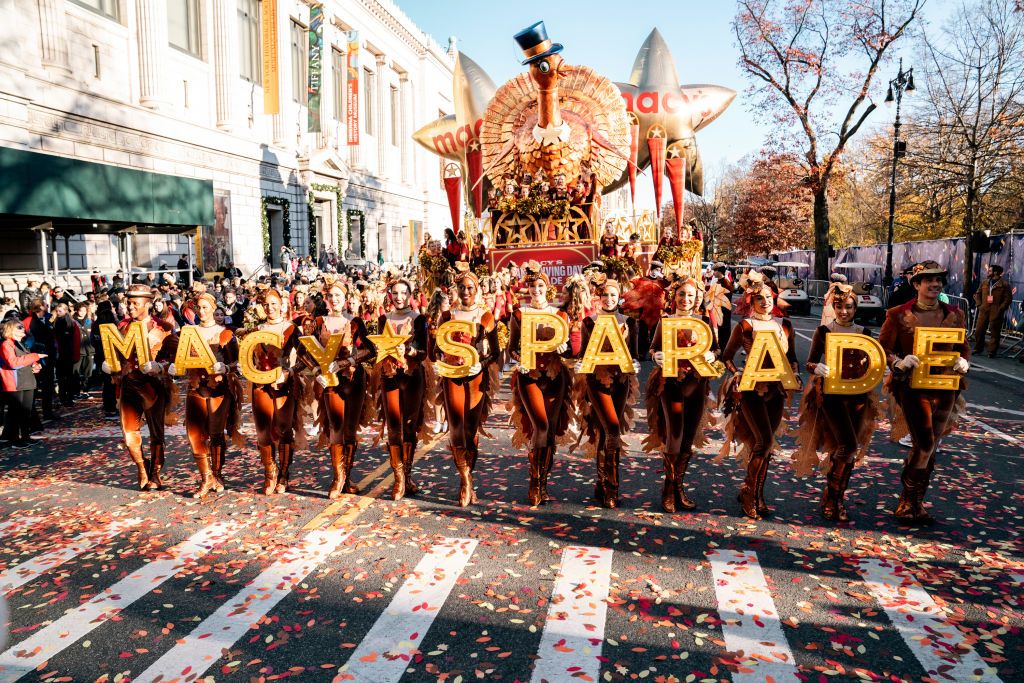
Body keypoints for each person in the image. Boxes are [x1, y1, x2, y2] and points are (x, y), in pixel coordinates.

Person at [879, 261, 969, 525]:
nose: (935, 284)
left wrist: (964, 362)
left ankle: (916, 503)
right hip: (913, 388)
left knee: (931, 445)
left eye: (938, 279)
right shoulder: (897, 314)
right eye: (928, 280)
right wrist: (898, 362)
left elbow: (963, 347)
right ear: (916, 284)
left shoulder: (954, 313)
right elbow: (883, 349)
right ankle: (907, 501)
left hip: (946, 388)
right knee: (925, 443)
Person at [794, 283, 879, 522]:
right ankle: (832, 498)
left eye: (849, 307)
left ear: (855, 308)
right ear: (833, 307)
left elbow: (872, 362)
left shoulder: (864, 333)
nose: (844, 312)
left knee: (848, 450)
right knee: (848, 446)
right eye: (839, 306)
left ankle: (836, 498)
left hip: (858, 397)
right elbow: (809, 361)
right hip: (831, 396)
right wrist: (816, 368)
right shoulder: (824, 331)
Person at [719, 275, 800, 520]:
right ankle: (748, 492)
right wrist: (738, 373)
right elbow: (727, 357)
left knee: (767, 444)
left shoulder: (784, 324)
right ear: (750, 301)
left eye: (768, 297)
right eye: (758, 298)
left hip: (777, 389)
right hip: (751, 389)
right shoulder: (745, 326)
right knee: (763, 441)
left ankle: (757, 493)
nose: (764, 302)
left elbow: (793, 358)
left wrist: (795, 373)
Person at [646, 278, 718, 512]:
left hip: (697, 383)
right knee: (674, 436)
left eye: (690, 295)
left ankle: (679, 487)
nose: (685, 299)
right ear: (674, 297)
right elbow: (653, 348)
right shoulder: (665, 322)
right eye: (681, 295)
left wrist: (712, 357)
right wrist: (655, 356)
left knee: (688, 439)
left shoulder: (705, 321)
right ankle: (668, 488)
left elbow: (717, 348)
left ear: (697, 297)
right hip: (671, 384)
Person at [432, 268, 500, 506]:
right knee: (456, 430)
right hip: (452, 378)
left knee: (470, 433)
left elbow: (496, 353)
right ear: (456, 291)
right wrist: (439, 362)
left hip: (475, 377)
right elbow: (435, 350)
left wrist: (480, 364)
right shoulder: (448, 315)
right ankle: (465, 481)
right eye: (462, 288)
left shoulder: (486, 316)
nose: (466, 292)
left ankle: (468, 474)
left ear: (477, 290)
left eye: (470, 288)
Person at [102, 284, 178, 491]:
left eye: (135, 303)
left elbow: (175, 359)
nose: (129, 307)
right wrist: (112, 365)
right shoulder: (121, 327)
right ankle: (142, 468)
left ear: (148, 304)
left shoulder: (164, 328)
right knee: (128, 434)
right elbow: (116, 354)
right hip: (128, 386)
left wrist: (160, 366)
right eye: (128, 303)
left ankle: (155, 473)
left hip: (153, 387)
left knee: (156, 433)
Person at [508, 268, 574, 506]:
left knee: (551, 428)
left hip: (556, 377)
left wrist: (564, 349)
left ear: (548, 288)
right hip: (530, 376)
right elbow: (511, 348)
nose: (536, 291)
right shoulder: (519, 314)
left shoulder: (560, 315)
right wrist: (519, 360)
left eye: (541, 286)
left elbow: (569, 351)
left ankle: (544, 481)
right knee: (541, 425)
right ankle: (534, 482)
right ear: (528, 289)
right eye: (533, 287)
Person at [170, 293, 243, 498]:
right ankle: (205, 477)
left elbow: (237, 363)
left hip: (219, 388)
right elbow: (178, 359)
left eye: (205, 307)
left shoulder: (225, 333)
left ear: (213, 308)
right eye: (198, 308)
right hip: (195, 387)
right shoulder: (187, 332)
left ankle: (217, 474)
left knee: (216, 432)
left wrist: (225, 368)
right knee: (195, 434)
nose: (202, 311)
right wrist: (174, 367)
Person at [574, 278, 639, 509]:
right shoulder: (589, 322)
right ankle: (612, 487)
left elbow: (635, 354)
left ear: (619, 297)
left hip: (621, 381)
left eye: (613, 295)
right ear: (599, 298)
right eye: (605, 296)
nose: (609, 299)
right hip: (597, 381)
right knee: (611, 429)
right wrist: (579, 363)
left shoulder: (629, 321)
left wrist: (636, 363)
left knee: (607, 430)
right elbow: (582, 353)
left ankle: (601, 482)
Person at [308, 278, 375, 499]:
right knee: (335, 428)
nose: (334, 300)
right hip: (330, 382)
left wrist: (348, 362)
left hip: (354, 381)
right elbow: (305, 353)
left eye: (338, 296)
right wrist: (317, 372)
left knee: (349, 430)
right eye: (331, 296)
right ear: (326, 299)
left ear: (345, 299)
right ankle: (338, 478)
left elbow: (370, 350)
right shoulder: (317, 322)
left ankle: (347, 477)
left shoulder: (355, 322)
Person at [375, 277, 430, 501]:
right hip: (389, 377)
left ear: (410, 295)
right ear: (390, 296)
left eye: (403, 293)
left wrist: (407, 350)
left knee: (409, 427)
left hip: (412, 376)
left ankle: (407, 476)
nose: (399, 297)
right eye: (395, 293)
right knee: (393, 427)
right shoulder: (383, 319)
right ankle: (398, 479)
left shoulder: (419, 319)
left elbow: (425, 352)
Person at [248, 288, 302, 495]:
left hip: (283, 385)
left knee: (284, 430)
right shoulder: (256, 330)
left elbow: (305, 359)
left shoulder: (292, 329)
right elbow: (248, 358)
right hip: (260, 384)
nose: (270, 308)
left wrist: (289, 373)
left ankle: (283, 475)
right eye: (265, 305)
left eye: (273, 303)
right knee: (263, 432)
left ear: (281, 304)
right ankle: (269, 473)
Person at [1, 319, 45, 448]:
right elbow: (13, 363)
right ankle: (15, 440)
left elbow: (24, 360)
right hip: (15, 382)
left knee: (26, 411)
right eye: (19, 327)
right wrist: (35, 356)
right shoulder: (6, 344)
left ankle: (25, 437)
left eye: (22, 326)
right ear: (11, 329)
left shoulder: (21, 343)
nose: (23, 329)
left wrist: (34, 365)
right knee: (16, 412)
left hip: (26, 379)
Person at [973, 264, 1012, 358]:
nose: (988, 272)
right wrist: (979, 305)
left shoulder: (1004, 285)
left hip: (996, 310)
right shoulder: (985, 282)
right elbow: (977, 294)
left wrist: (1000, 308)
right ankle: (978, 348)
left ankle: (991, 351)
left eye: (990, 271)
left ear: (995, 272)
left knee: (995, 332)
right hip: (984, 309)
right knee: (979, 330)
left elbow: (1008, 299)